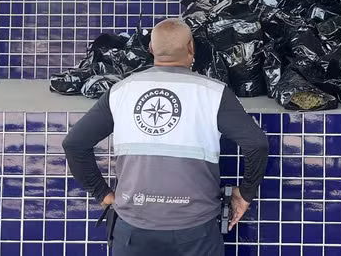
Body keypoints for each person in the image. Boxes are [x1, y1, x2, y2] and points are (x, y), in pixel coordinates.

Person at [63, 18, 269, 255]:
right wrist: (245, 194)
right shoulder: (213, 93)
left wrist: (103, 193)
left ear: (151, 48)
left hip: (132, 230)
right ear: (191, 47)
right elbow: (257, 144)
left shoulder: (121, 91)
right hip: (196, 233)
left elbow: (74, 144)